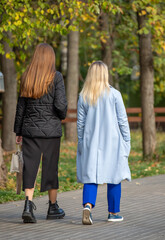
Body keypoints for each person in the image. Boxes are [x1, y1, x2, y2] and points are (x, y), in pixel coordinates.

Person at [14, 43, 67, 223]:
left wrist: (18, 131)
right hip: (51, 132)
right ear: (51, 58)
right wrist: (62, 114)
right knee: (50, 167)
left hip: (29, 130)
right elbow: (60, 105)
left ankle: (28, 205)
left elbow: (21, 107)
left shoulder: (27, 76)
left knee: (30, 167)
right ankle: (52, 207)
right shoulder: (56, 77)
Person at [76, 61, 131, 225]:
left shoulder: (84, 95)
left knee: (91, 176)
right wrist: (126, 142)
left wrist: (81, 142)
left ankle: (87, 206)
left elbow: (80, 124)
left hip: (91, 142)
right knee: (115, 176)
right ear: (105, 74)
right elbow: (123, 121)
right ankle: (113, 213)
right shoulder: (114, 94)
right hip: (112, 142)